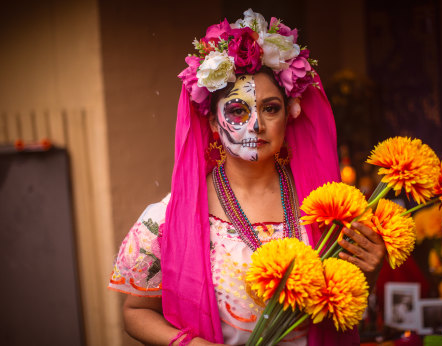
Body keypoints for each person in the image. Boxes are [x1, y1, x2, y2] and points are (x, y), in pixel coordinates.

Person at [109, 9, 386, 346]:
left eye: (271, 108)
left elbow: (346, 306)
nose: (256, 125)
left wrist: (366, 273)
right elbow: (134, 312)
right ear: (212, 122)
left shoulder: (327, 208)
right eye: (238, 110)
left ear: (290, 114)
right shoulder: (170, 219)